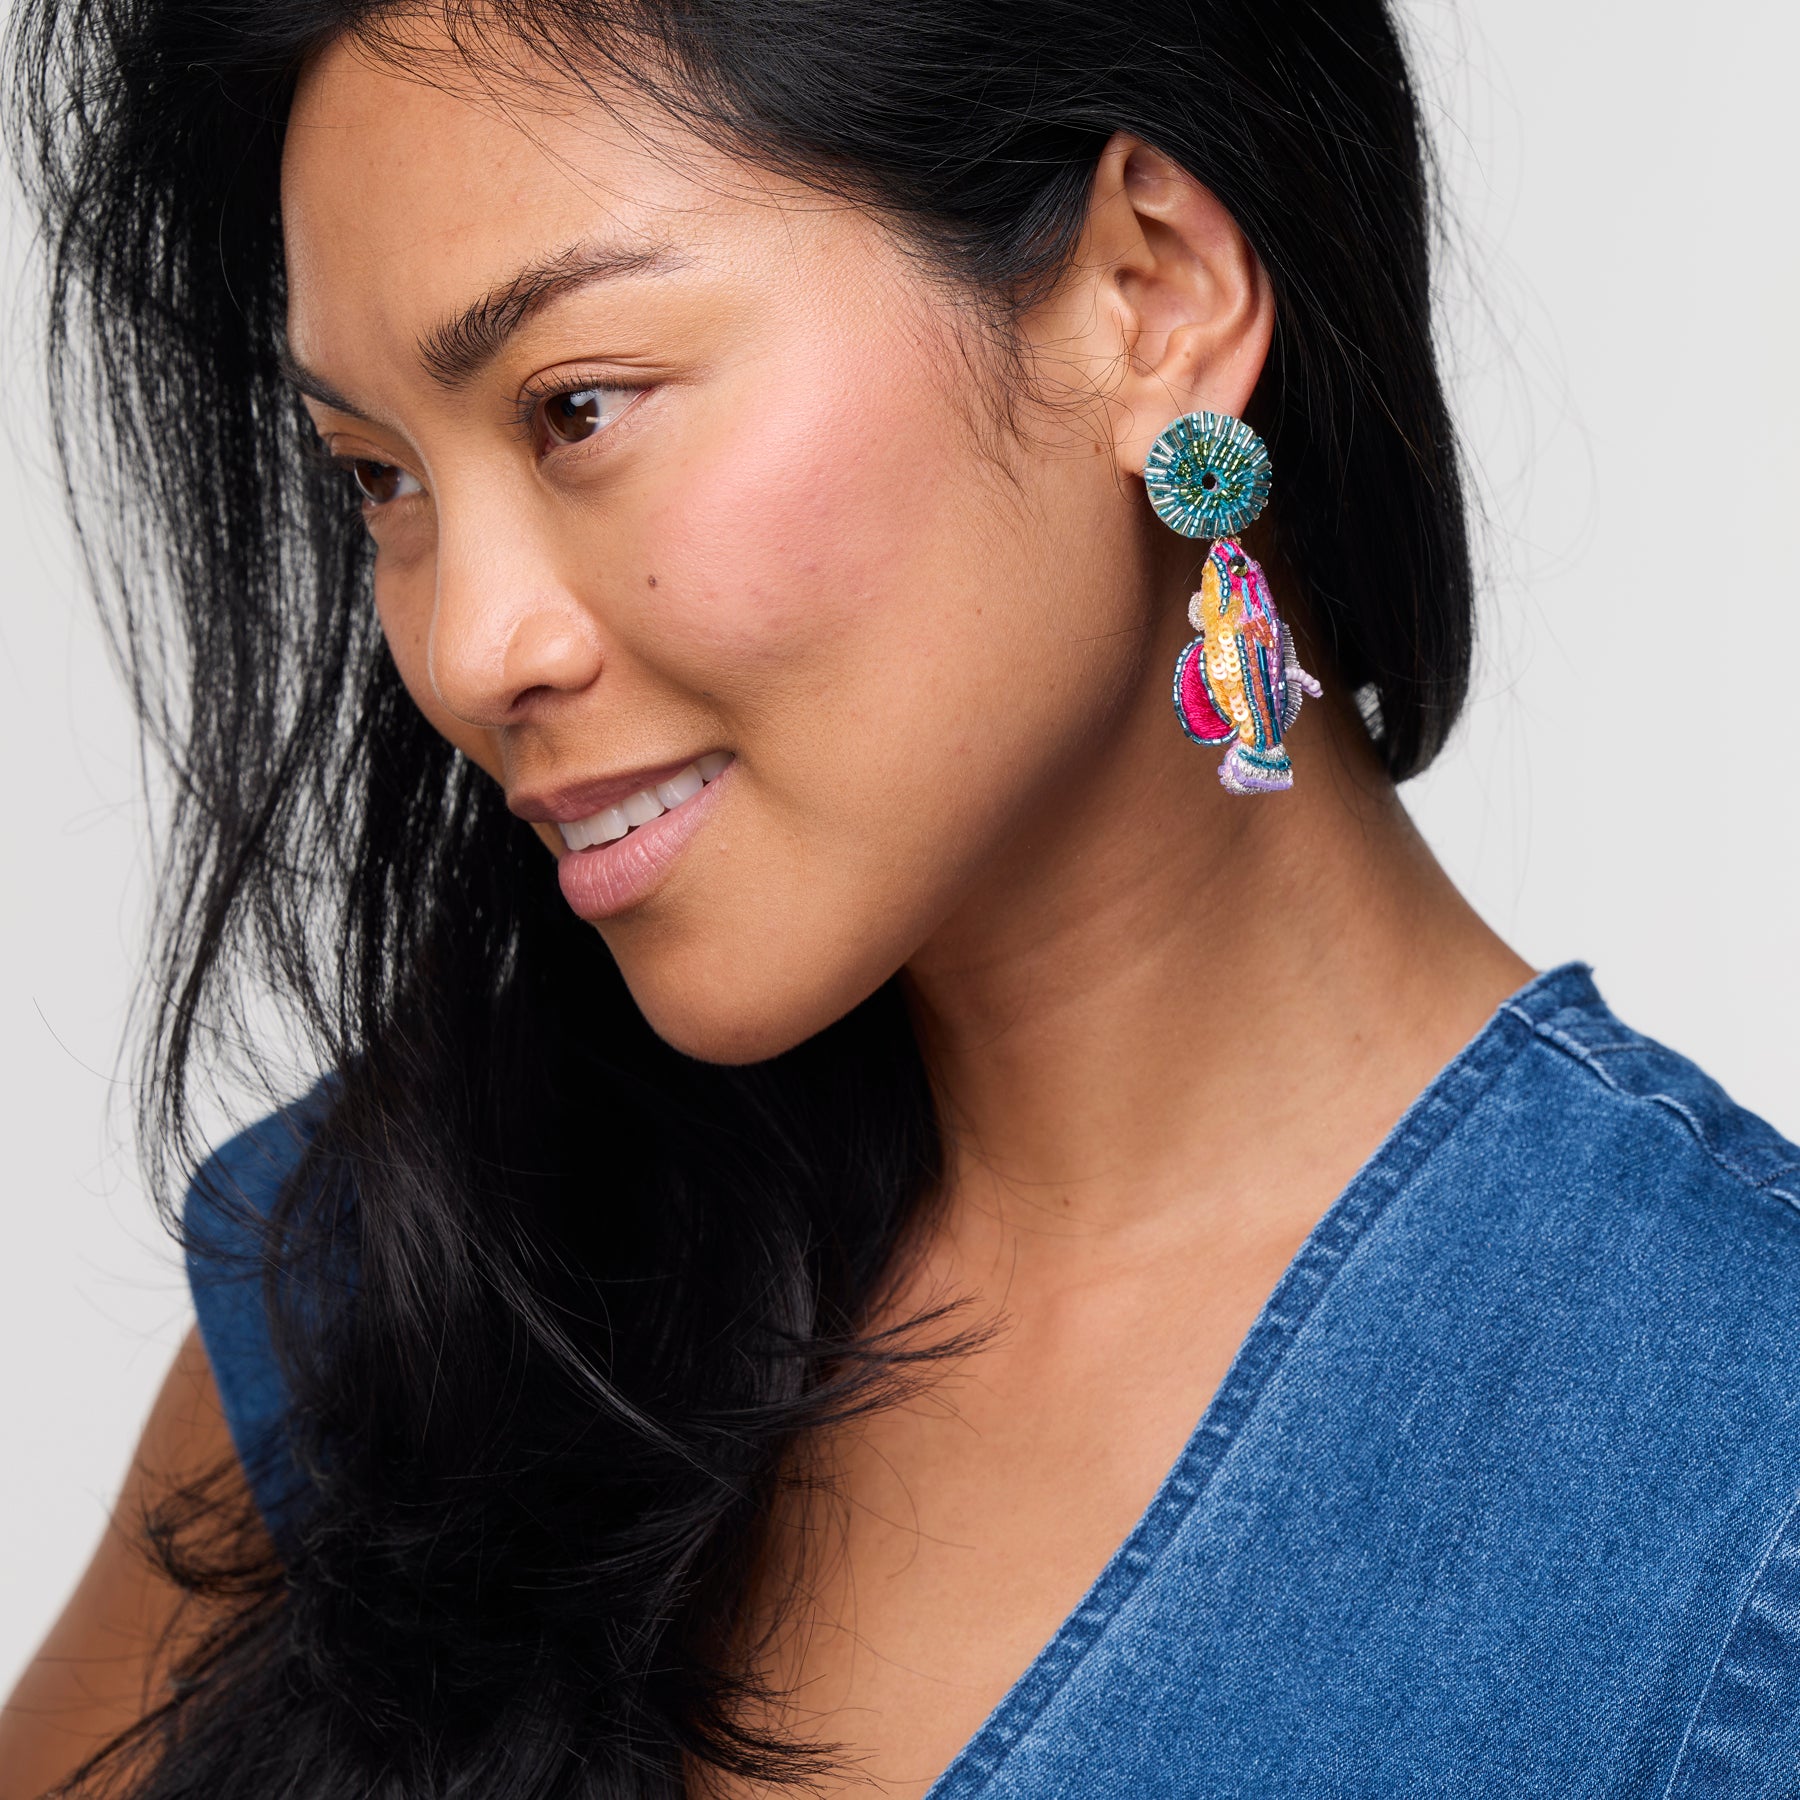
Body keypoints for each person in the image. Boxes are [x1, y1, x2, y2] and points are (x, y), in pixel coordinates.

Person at [4, 1, 1799, 1795]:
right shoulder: (417, 1310)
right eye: (381, 478)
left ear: (1146, 295)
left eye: (579, 408)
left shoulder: (1737, 1496)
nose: (470, 650)